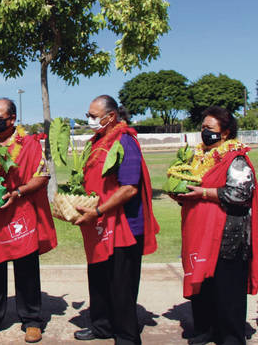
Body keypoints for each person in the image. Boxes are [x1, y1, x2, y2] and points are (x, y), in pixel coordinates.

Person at [0, 98, 58, 344]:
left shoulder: (29, 144)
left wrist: (17, 193)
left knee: (26, 267)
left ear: (12, 119)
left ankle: (32, 321)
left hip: (20, 213)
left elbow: (42, 175)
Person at [171, 106, 258, 345]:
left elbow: (241, 194)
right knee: (204, 286)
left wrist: (203, 193)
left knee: (227, 290)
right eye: (202, 128)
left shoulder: (236, 159)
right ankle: (206, 329)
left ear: (225, 133)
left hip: (228, 236)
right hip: (200, 233)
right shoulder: (198, 157)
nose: (204, 132)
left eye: (209, 128)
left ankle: (230, 336)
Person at [73, 95, 159, 344]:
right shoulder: (97, 141)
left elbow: (130, 188)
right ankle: (102, 326)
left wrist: (98, 210)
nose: (89, 119)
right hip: (99, 224)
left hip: (124, 226)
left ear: (110, 117)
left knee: (121, 284)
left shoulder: (125, 141)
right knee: (99, 277)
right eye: (88, 114)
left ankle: (126, 335)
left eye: (92, 115)